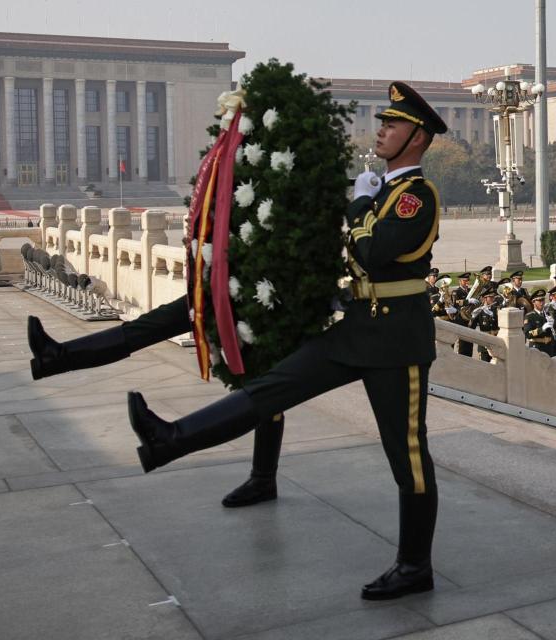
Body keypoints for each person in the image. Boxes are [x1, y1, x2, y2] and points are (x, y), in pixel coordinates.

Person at [127, 81, 448, 601]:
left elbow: (373, 251)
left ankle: (415, 566)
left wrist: (360, 207)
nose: (382, 131)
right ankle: (170, 440)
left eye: (392, 124)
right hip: (358, 327)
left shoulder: (416, 196)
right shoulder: (384, 192)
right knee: (273, 386)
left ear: (417, 136)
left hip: (397, 340)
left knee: (407, 455)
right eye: (384, 122)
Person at [27, 304, 285, 508]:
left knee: (267, 384)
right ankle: (57, 356)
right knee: (153, 324)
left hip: (258, 290)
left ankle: (263, 478)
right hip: (220, 282)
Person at [469, 286, 499, 362]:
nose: (493, 299)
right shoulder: (480, 311)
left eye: (493, 297)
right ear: (485, 298)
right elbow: (471, 328)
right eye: (490, 297)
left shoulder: (497, 309)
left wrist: (492, 315)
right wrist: (473, 317)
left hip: (496, 342)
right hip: (484, 344)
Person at [523, 289, 554, 356]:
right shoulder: (529, 316)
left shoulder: (547, 314)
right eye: (539, 300)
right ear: (533, 302)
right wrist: (542, 329)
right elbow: (527, 334)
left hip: (549, 347)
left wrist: (553, 324)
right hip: (537, 347)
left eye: (543, 300)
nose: (542, 303)